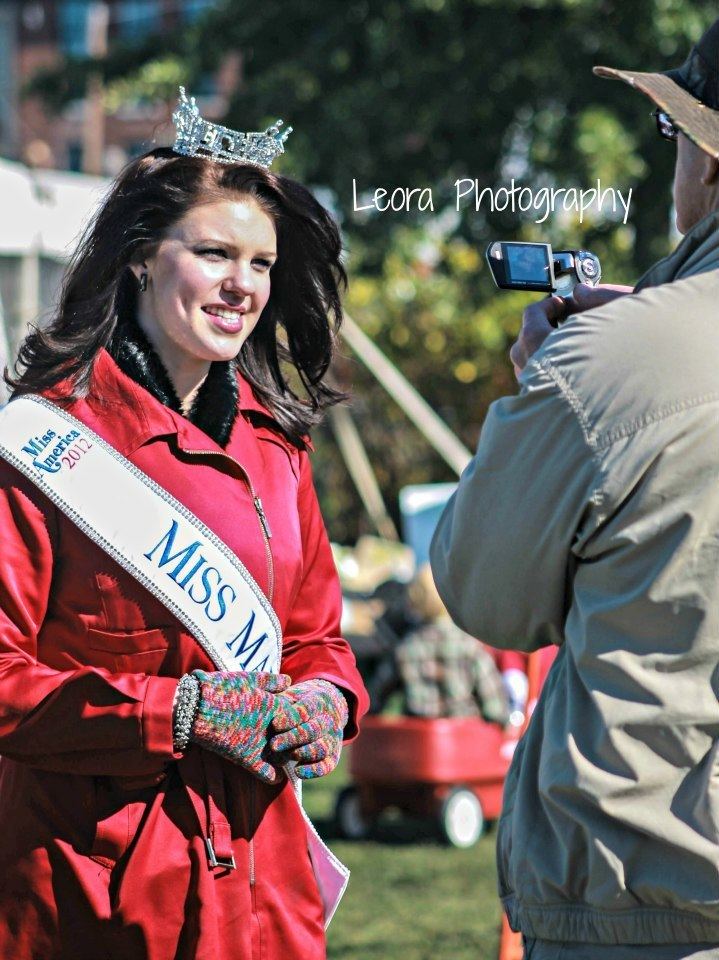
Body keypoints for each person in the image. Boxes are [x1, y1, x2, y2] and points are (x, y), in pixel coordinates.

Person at [0, 94, 368, 960]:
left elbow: (317, 639)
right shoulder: (43, 444)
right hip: (90, 887)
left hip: (261, 884)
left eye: (261, 262)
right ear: (139, 258)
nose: (243, 284)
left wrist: (325, 701)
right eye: (213, 253)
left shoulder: (279, 449)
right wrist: (181, 710)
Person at [431, 17, 719, 960]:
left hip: (658, 896)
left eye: (671, 131)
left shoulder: (613, 357)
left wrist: (564, 382)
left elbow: (483, 592)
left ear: (708, 160)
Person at [368, 564, 509, 724]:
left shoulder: (405, 648)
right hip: (464, 738)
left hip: (420, 742)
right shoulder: (469, 645)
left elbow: (374, 699)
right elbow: (495, 707)